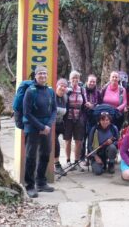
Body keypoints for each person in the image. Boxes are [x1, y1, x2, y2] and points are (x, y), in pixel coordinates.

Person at [23, 66, 57, 198]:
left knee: (45, 154)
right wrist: (41, 127)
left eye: (45, 73)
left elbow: (54, 110)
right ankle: (30, 186)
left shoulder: (50, 91)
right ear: (35, 76)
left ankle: (41, 182)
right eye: (40, 73)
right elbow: (27, 112)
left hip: (46, 128)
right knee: (31, 157)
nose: (43, 75)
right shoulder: (30, 91)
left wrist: (48, 125)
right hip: (32, 128)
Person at [65, 70, 86, 172]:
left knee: (78, 141)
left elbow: (85, 102)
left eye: (77, 78)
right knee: (67, 140)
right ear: (70, 79)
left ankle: (76, 162)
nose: (75, 80)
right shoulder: (66, 89)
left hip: (79, 117)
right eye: (73, 78)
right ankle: (68, 161)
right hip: (68, 118)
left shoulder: (81, 90)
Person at [81, 74, 102, 163]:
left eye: (94, 82)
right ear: (87, 82)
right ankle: (81, 157)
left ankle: (90, 157)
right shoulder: (81, 90)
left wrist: (92, 106)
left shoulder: (98, 92)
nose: (92, 83)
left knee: (91, 138)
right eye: (90, 81)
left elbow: (101, 104)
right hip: (82, 117)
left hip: (93, 118)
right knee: (82, 139)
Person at [54, 78, 68, 176]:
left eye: (64, 86)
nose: (62, 88)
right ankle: (57, 164)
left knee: (68, 138)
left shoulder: (65, 98)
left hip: (60, 124)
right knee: (56, 144)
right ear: (56, 86)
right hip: (51, 124)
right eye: (61, 85)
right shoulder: (52, 96)